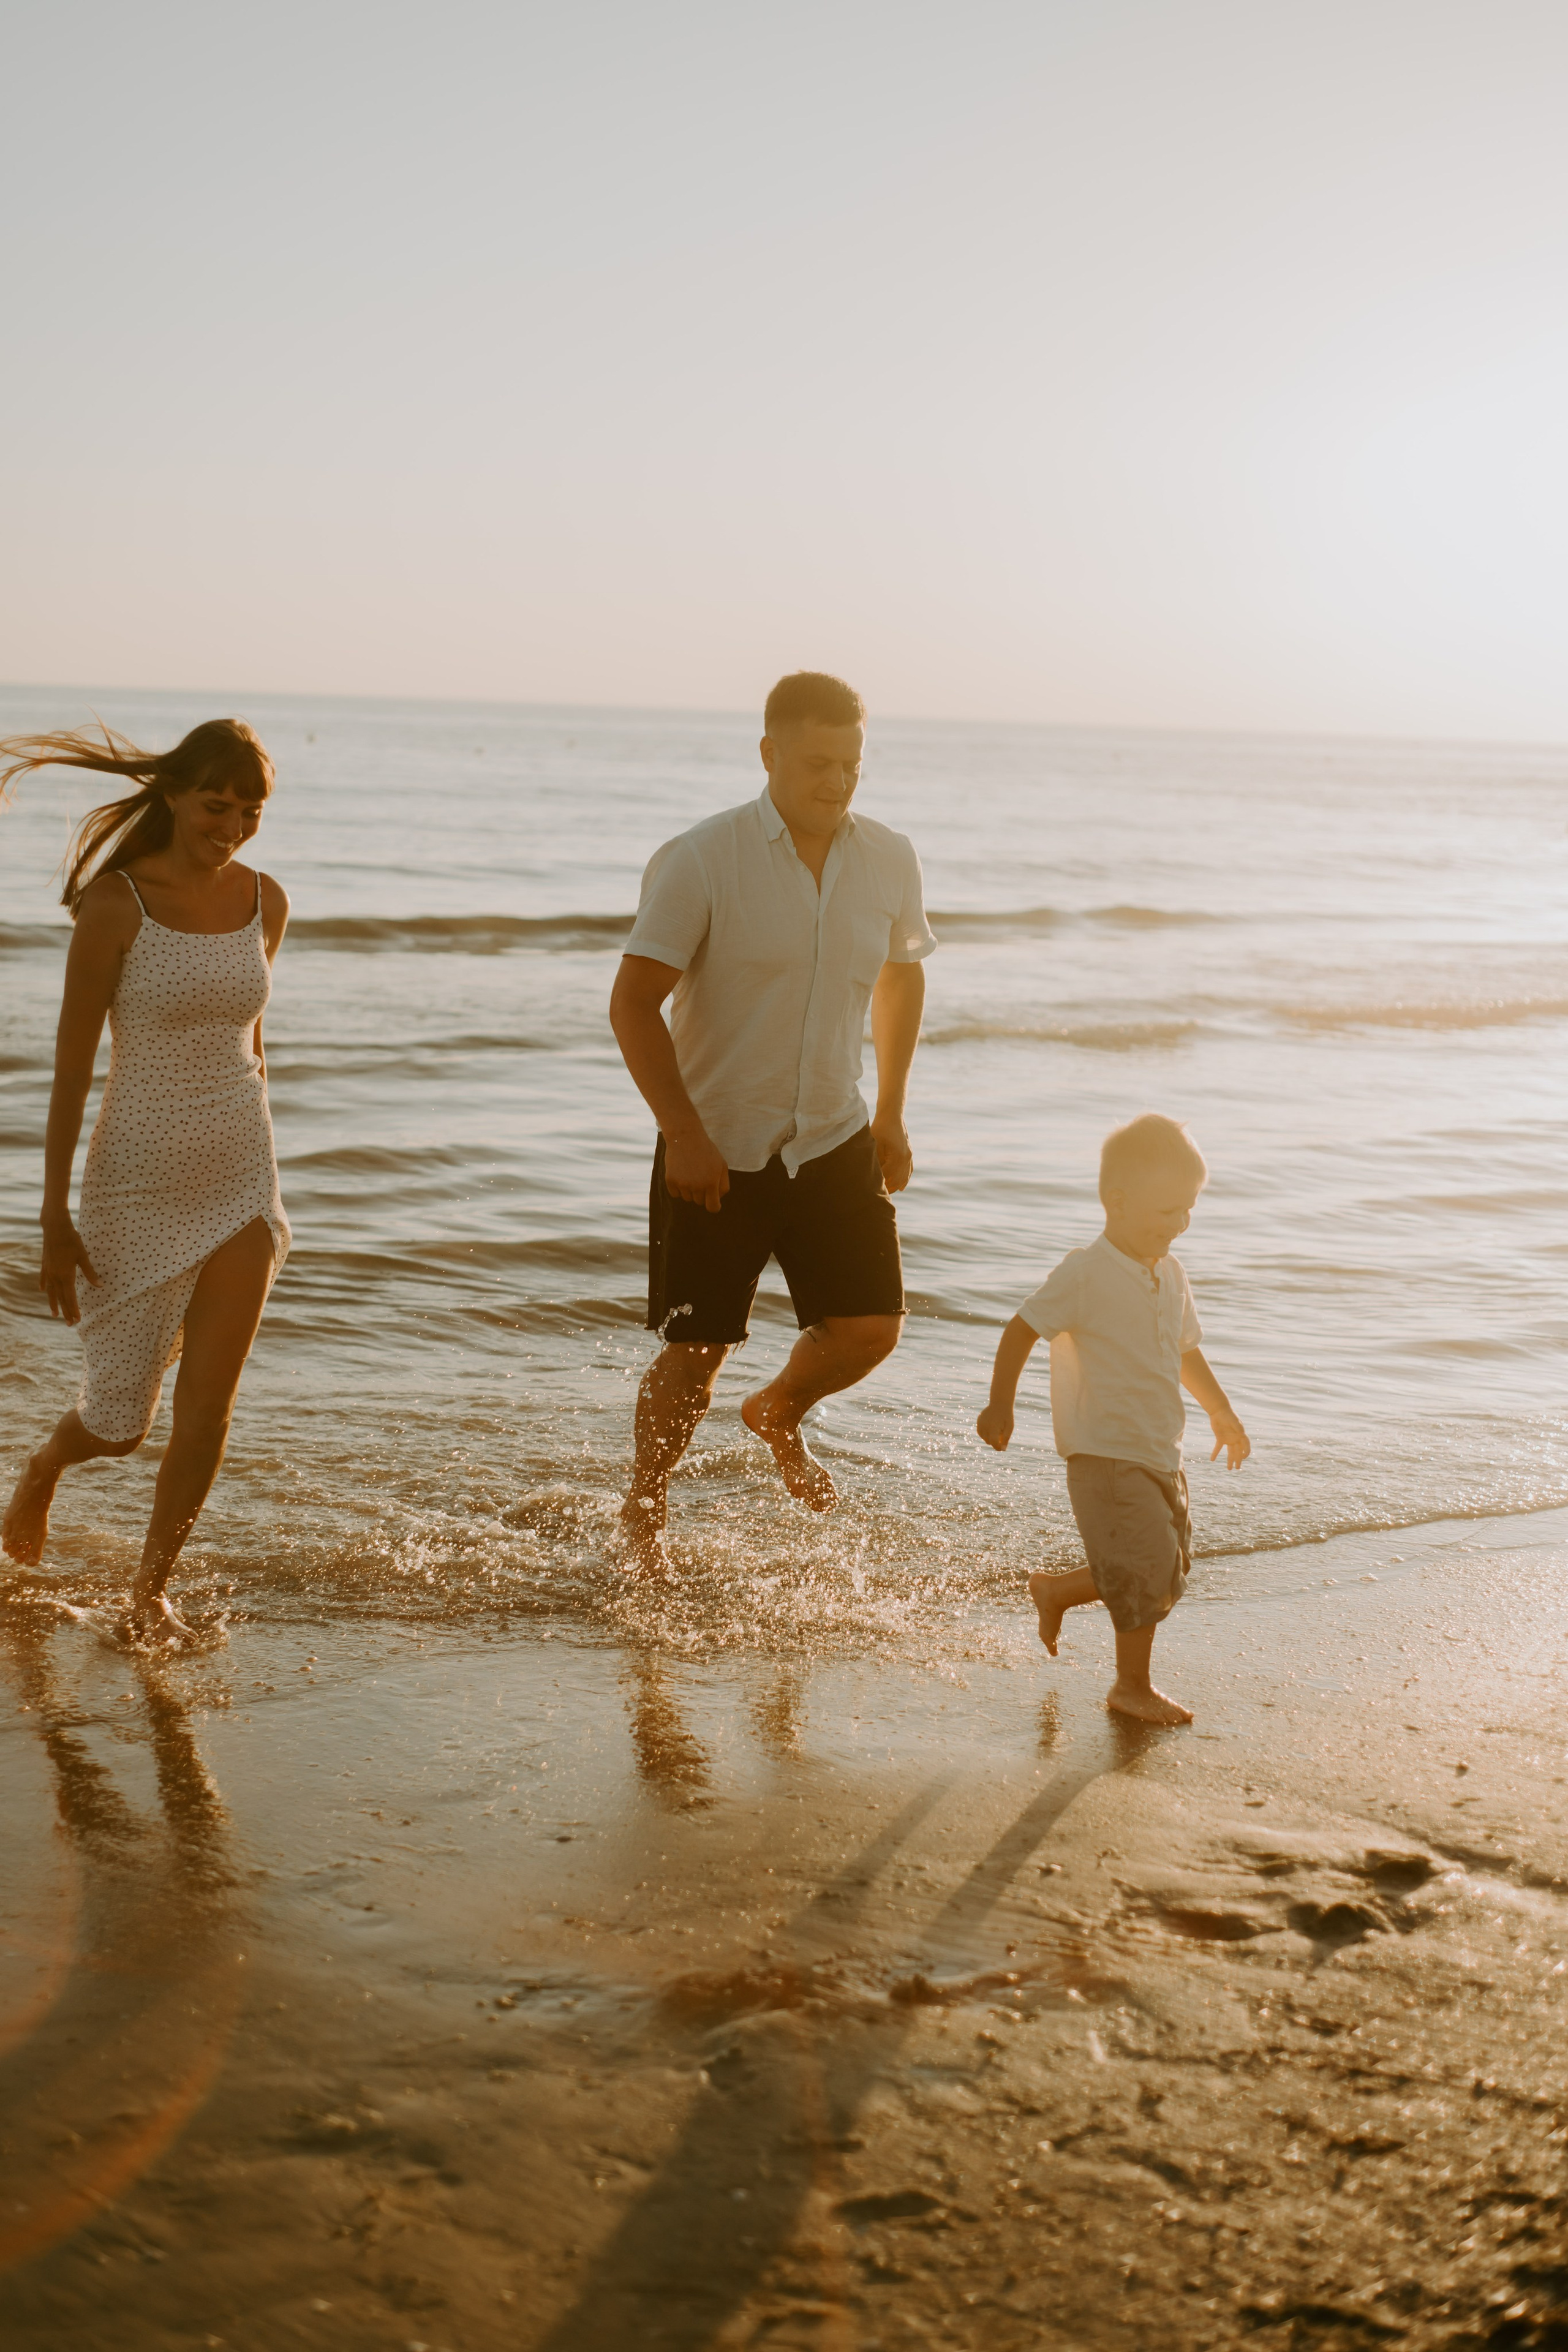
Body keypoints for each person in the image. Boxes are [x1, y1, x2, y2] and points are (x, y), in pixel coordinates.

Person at [609, 671, 935, 1561]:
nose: (838, 782)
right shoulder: (704, 857)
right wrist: (684, 1134)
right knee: (698, 1351)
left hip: (834, 1133)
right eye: (820, 762)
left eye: (853, 764)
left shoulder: (890, 859)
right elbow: (634, 1003)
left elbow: (903, 976)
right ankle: (644, 1508)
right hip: (717, 1141)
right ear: (770, 754)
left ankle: (779, 1409)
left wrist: (894, 1114)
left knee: (871, 1327)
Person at [0, 719, 290, 1642]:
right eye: (217, 805)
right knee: (122, 1424)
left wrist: (261, 1154)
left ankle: (147, 1594)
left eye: (250, 811)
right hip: (134, 1180)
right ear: (172, 794)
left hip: (244, 1176)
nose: (234, 826)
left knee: (207, 1412)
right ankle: (47, 1464)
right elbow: (73, 1066)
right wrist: (51, 1215)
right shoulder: (116, 906)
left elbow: (253, 1047)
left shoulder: (264, 900)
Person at [976, 1113, 1249, 1724]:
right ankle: (1130, 1687)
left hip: (1159, 1448)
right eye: (1164, 1211)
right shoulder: (1085, 1273)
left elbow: (1183, 1351)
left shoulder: (1170, 1273)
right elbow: (1022, 1329)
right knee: (1146, 1565)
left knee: (1165, 1568)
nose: (1177, 1225)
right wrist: (1001, 1402)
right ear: (1115, 1201)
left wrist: (1221, 1411)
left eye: (1187, 1211)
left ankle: (1056, 1591)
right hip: (1103, 1451)